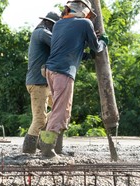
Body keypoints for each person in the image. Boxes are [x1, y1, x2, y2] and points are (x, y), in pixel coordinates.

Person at [39, 0, 107, 159]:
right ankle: (47, 148)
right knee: (60, 111)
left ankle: (57, 147)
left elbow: (67, 48)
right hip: (63, 72)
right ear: (85, 11)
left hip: (51, 70)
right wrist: (103, 41)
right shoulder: (84, 23)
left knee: (62, 110)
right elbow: (96, 47)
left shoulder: (58, 25)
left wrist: (84, 53)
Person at [22, 11, 60, 154]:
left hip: (44, 83)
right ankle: (28, 149)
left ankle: (41, 142)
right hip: (38, 84)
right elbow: (59, 44)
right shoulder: (42, 33)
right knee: (39, 120)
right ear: (48, 23)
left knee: (58, 111)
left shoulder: (41, 33)